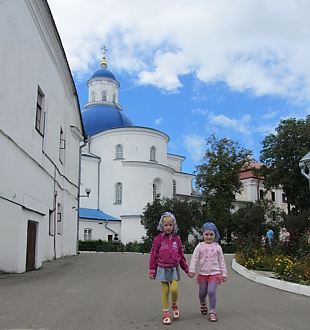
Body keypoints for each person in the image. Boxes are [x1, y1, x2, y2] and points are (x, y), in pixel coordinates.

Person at [149, 212, 190, 325]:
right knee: (165, 290)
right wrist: (152, 270)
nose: (168, 227)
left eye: (170, 225)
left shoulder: (177, 240)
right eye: (166, 225)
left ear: (174, 225)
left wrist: (186, 269)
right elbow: (153, 254)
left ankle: (174, 305)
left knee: (174, 289)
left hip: (174, 268)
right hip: (162, 268)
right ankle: (166, 314)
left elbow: (181, 255)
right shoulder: (158, 239)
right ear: (162, 225)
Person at [188, 222, 227, 322]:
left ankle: (212, 311)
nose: (209, 237)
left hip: (215, 273)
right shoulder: (199, 247)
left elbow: (221, 261)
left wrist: (224, 273)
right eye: (206, 234)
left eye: (211, 234)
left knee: (211, 291)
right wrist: (191, 270)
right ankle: (202, 302)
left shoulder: (218, 247)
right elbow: (194, 259)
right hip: (203, 274)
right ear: (203, 235)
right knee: (202, 294)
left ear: (215, 235)